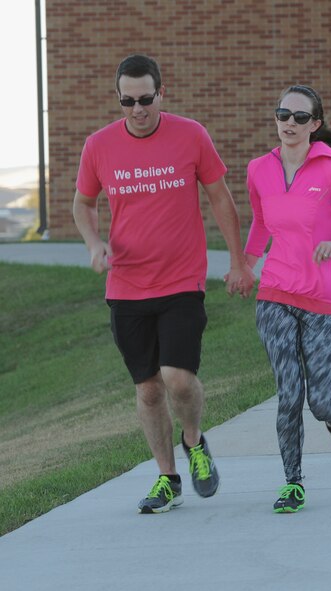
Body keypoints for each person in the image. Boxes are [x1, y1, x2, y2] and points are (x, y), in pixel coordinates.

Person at [73, 54, 255, 514]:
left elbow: (219, 197)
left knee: (177, 378)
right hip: (127, 287)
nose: (137, 109)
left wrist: (238, 262)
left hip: (181, 279)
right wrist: (94, 243)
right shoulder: (98, 146)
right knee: (149, 389)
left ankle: (194, 442)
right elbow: (83, 204)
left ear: (161, 92)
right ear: (119, 98)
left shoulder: (191, 134)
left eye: (146, 99)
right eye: (128, 101)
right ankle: (167, 479)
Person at [244, 84, 331, 513]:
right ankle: (293, 483)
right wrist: (245, 266)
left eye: (300, 117)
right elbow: (261, 224)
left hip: (322, 298)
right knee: (288, 395)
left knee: (319, 402)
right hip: (275, 294)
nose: (290, 123)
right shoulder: (258, 170)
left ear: (315, 125)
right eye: (284, 114)